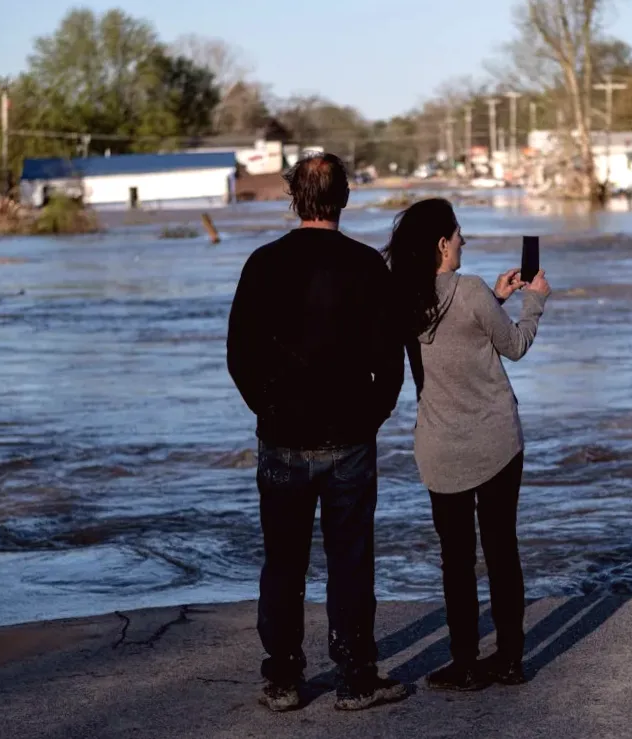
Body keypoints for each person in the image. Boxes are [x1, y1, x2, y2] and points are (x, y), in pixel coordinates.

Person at [226, 153, 408, 712]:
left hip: (282, 436)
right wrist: (368, 417)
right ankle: (355, 678)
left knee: (283, 562)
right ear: (346, 197)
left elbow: (239, 356)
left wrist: (271, 409)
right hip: (349, 437)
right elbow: (391, 360)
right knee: (350, 561)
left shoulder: (263, 264)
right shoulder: (366, 266)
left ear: (292, 197)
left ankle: (282, 679)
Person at [383, 198, 550, 691]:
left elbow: (449, 338)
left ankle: (464, 663)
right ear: (441, 244)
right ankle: (510, 660)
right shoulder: (472, 291)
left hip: (439, 448)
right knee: (501, 550)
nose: (464, 241)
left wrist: (493, 302)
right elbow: (515, 346)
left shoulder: (404, 300)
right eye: (458, 235)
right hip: (496, 442)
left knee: (455, 558)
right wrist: (533, 300)